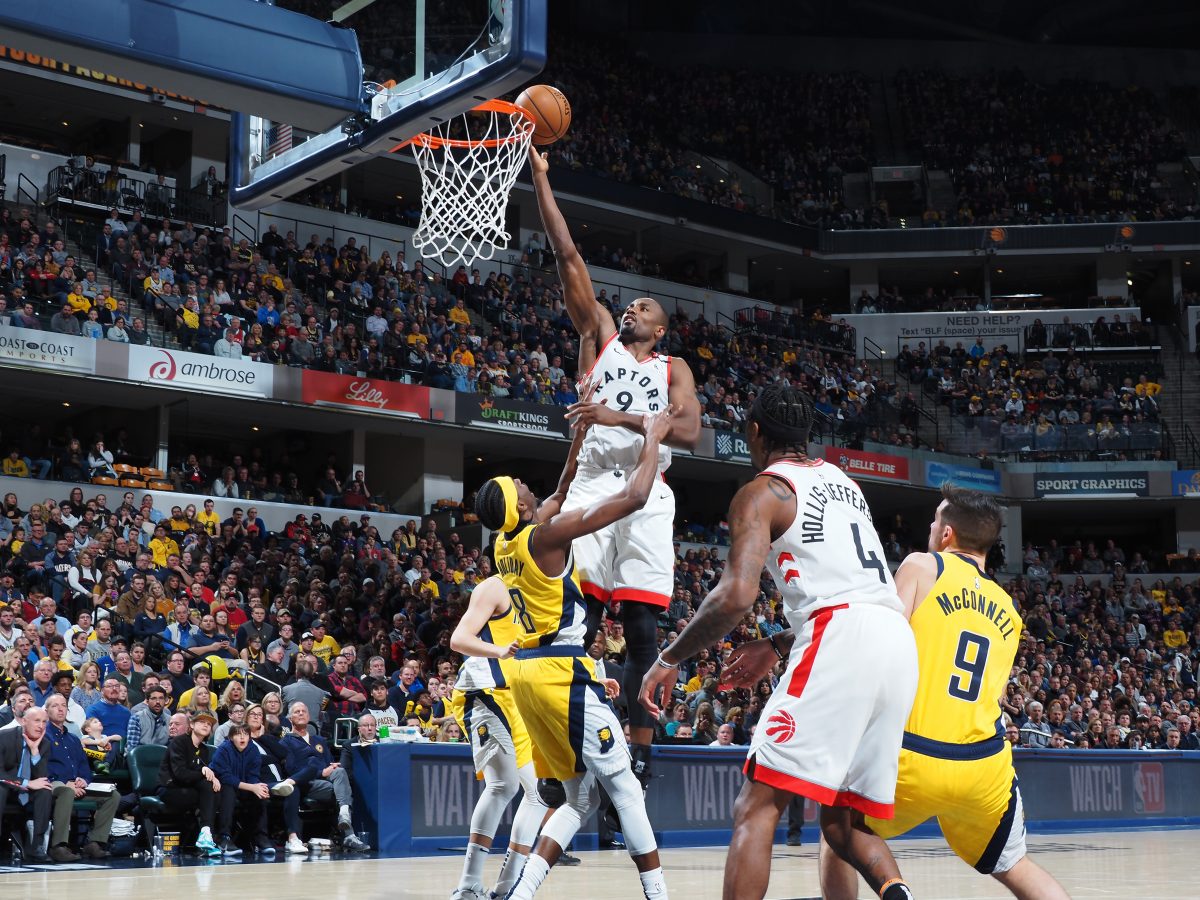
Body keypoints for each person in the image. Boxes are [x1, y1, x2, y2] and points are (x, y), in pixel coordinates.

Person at [639, 382, 919, 900]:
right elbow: (851, 592)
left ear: (754, 432)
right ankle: (898, 892)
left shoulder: (762, 491)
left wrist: (670, 657)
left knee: (756, 805)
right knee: (842, 822)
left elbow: (736, 596)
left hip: (841, 636)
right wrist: (779, 643)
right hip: (895, 640)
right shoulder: (843, 482)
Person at [531, 145, 702, 788]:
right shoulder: (599, 337)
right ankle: (569, 754)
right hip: (594, 485)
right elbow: (567, 256)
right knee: (578, 618)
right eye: (631, 305)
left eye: (646, 309)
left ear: (661, 330)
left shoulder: (673, 368)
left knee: (642, 627)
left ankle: (641, 756)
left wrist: (624, 420)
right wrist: (543, 180)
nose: (633, 308)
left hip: (649, 488)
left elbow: (687, 431)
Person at [811, 487, 1070, 900]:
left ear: (946, 534)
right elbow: (996, 698)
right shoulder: (1009, 608)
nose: (930, 528)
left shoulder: (921, 566)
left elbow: (878, 644)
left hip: (911, 753)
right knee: (1014, 864)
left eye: (934, 522)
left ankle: (894, 891)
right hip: (983, 765)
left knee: (840, 832)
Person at [474, 406, 676, 900]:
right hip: (561, 671)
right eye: (518, 486)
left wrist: (579, 440)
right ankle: (659, 895)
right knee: (625, 787)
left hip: (526, 673)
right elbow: (634, 496)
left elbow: (560, 491)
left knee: (579, 794)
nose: (524, 483)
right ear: (522, 509)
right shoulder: (547, 535)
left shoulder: (507, 541)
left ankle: (520, 894)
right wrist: (652, 436)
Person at [447, 575, 550, 900]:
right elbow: (459, 639)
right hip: (484, 691)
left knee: (539, 794)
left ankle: (507, 886)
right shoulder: (494, 586)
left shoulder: (543, 592)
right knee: (504, 784)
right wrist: (500, 650)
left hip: (520, 698)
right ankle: (468, 885)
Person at [281, 700, 368, 851]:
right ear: (290, 719)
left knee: (340, 771)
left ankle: (344, 817)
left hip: (327, 782)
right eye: (297, 712)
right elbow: (292, 770)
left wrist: (331, 767)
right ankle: (348, 834)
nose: (301, 713)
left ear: (309, 717)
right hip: (305, 784)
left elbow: (328, 763)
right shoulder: (286, 742)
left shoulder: (319, 740)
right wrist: (321, 772)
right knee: (344, 790)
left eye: (304, 711)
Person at [44, 693, 119, 860]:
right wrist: (67, 783)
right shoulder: (43, 735)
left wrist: (83, 780)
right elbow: (42, 766)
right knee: (66, 791)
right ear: (47, 710)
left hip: (76, 786)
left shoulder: (73, 739)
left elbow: (84, 766)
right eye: (55, 705)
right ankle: (59, 846)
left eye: (63, 705)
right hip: (53, 783)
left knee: (112, 795)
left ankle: (94, 843)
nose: (60, 708)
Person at [157, 710, 222, 857]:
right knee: (208, 790)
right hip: (170, 788)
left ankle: (206, 837)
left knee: (214, 789)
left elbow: (198, 774)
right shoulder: (179, 742)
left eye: (209, 724)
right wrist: (205, 773)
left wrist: (213, 777)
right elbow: (181, 774)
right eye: (201, 722)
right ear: (191, 724)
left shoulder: (204, 749)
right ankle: (208, 835)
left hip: (188, 788)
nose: (206, 725)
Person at [210, 723, 274, 856]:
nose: (242, 737)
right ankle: (224, 838)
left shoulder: (253, 750)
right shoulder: (223, 749)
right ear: (231, 737)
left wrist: (258, 788)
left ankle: (261, 837)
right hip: (221, 788)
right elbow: (225, 777)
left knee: (260, 792)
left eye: (245, 734)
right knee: (229, 790)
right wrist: (252, 787)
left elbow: (253, 776)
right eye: (238, 734)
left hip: (243, 788)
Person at [0, 706, 53, 862]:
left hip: (25, 793)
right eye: (37, 721)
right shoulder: (4, 737)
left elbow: (42, 778)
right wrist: (26, 782)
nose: (41, 726)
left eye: (44, 722)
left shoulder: (45, 744)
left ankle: (36, 845)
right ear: (24, 721)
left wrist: (35, 751)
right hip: (7, 789)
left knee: (45, 790)